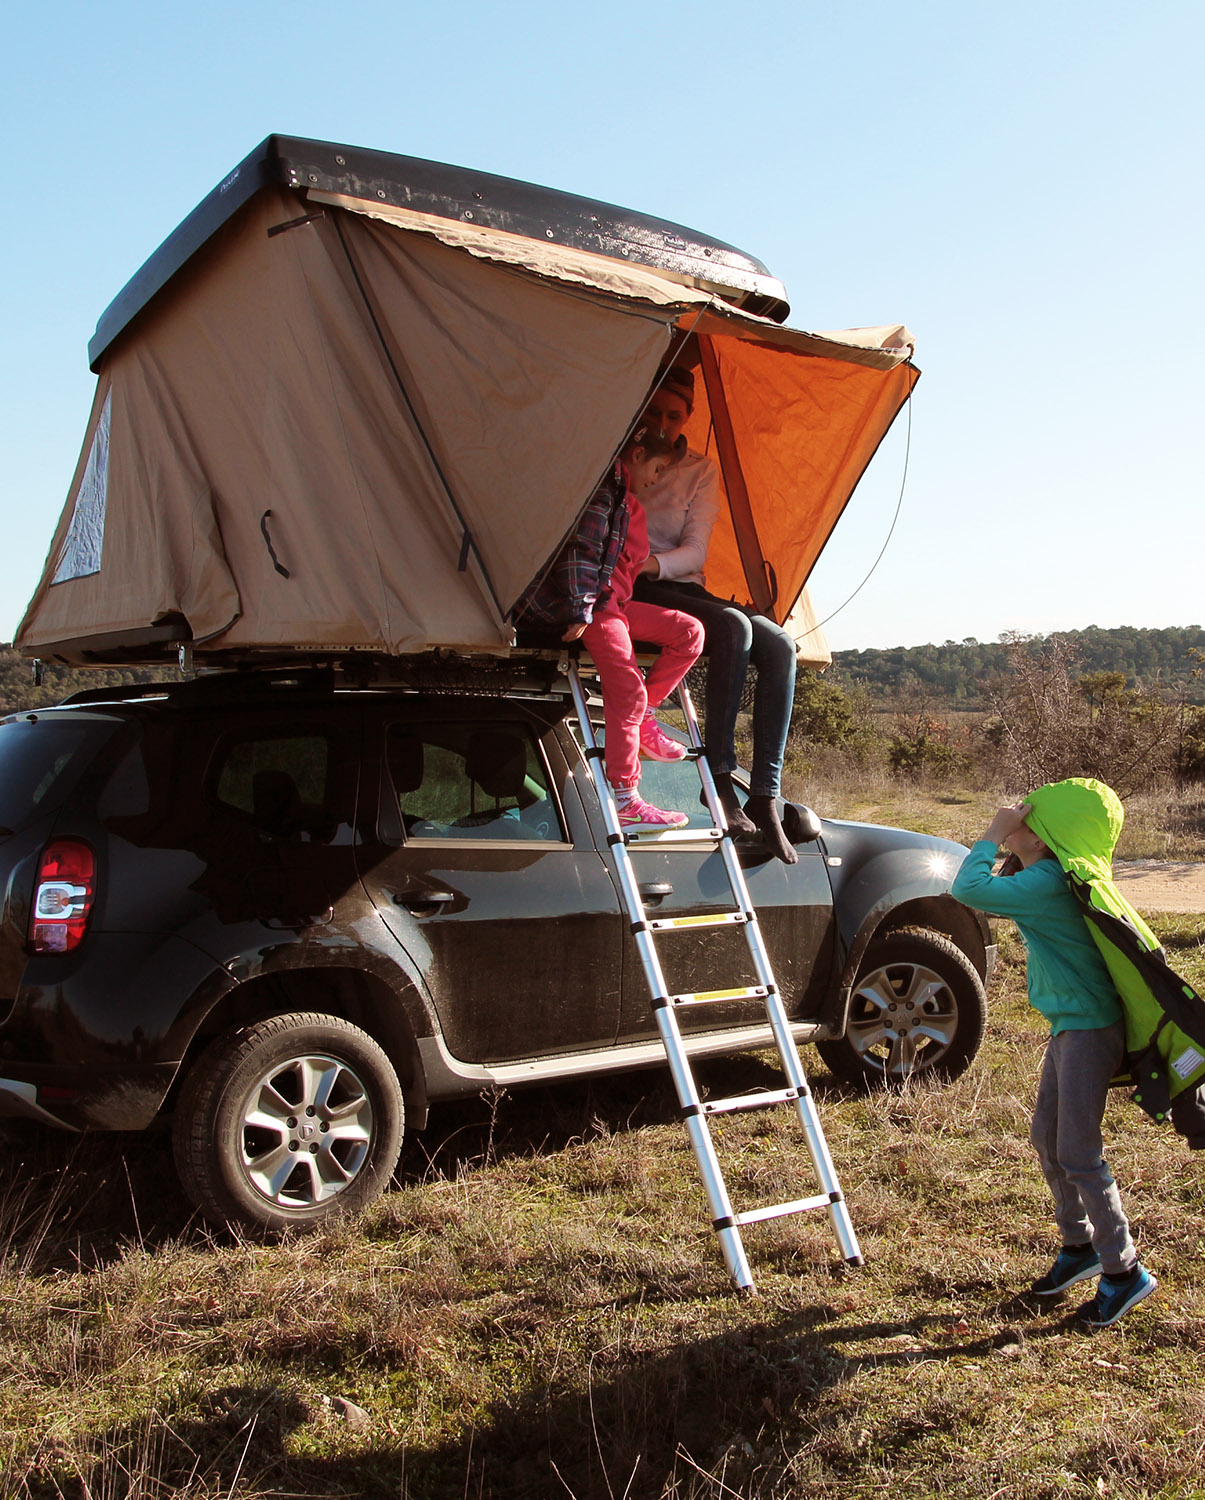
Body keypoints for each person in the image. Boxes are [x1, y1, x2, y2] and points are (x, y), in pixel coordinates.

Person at [950, 791, 1158, 1329]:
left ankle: (1123, 1270)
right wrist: (1012, 838)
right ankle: (1080, 1248)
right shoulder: (1050, 877)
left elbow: (968, 888)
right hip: (1075, 1022)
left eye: (1028, 820)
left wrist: (995, 831)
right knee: (1048, 1138)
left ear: (1042, 837)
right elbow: (994, 884)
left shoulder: (1045, 884)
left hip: (1089, 1028)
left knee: (1080, 1153)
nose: (1017, 822)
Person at [632, 365, 799, 863]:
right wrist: (638, 566)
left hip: (674, 578)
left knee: (780, 643)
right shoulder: (628, 459)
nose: (664, 423)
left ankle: (765, 793)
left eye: (674, 415)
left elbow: (696, 552)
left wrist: (655, 563)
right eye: (656, 412)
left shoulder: (700, 470)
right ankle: (719, 778)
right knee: (731, 626)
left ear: (687, 417)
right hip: (632, 583)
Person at [515, 425, 705, 831]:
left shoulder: (627, 501)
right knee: (626, 690)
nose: (656, 479)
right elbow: (582, 552)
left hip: (617, 604)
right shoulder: (604, 493)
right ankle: (625, 797)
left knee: (690, 633)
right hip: (598, 607)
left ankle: (645, 720)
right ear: (635, 454)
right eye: (657, 468)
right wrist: (581, 610)